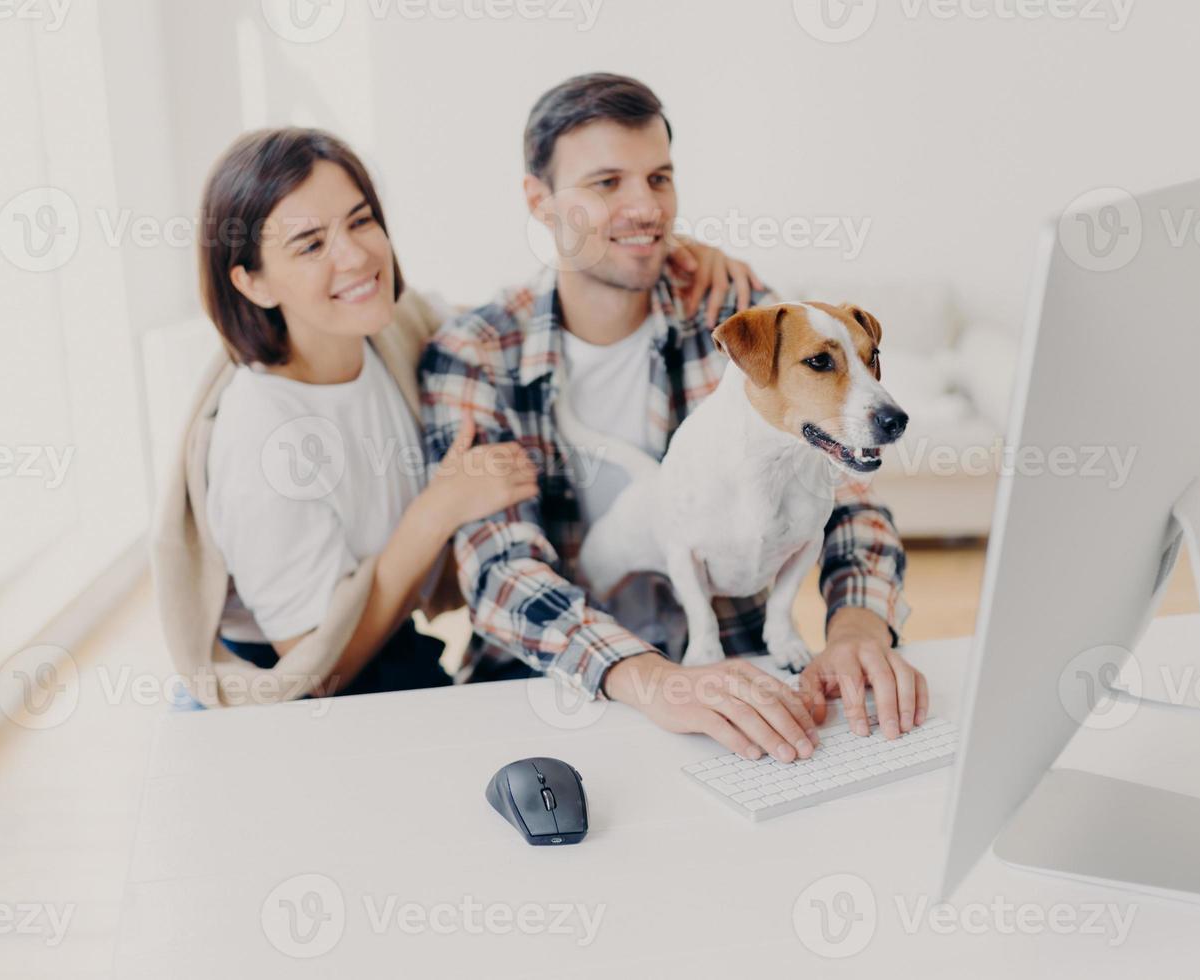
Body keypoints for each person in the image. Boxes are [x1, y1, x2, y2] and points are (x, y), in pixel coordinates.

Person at [150, 126, 762, 706]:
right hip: (299, 680)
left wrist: (666, 253)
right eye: (310, 244)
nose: (356, 257)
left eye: (361, 221)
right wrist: (438, 509)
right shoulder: (262, 437)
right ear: (252, 283)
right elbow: (311, 668)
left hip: (392, 639)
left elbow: (518, 323)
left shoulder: (394, 328)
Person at [420, 74, 925, 761]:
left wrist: (858, 626)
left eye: (659, 178)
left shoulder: (733, 302)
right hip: (547, 685)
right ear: (539, 202)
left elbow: (843, 482)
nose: (645, 206)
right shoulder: (475, 354)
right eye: (606, 183)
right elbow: (500, 571)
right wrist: (654, 681)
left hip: (738, 679)